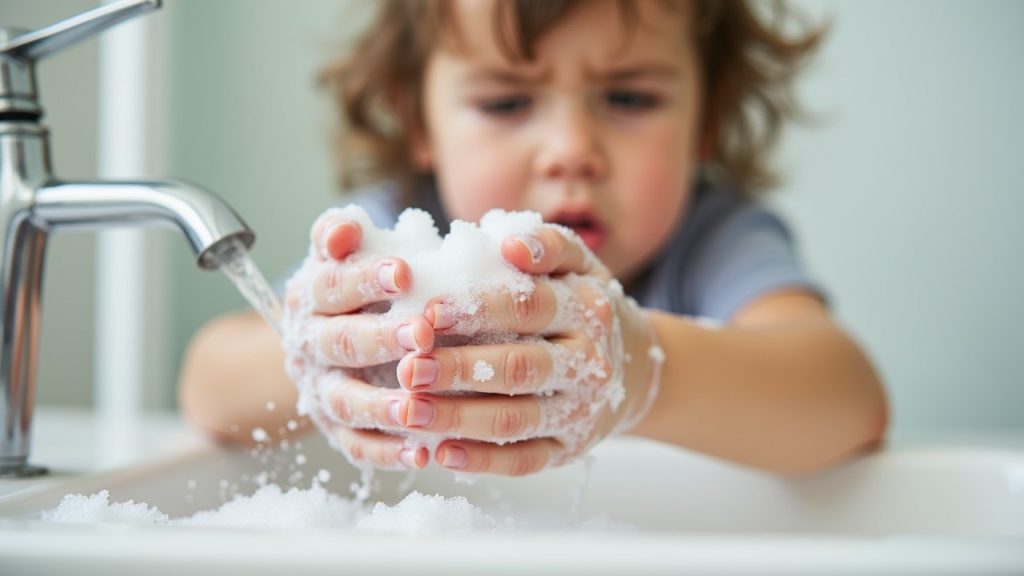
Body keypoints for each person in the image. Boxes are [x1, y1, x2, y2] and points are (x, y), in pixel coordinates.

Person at [179, 0, 888, 477]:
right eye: (507, 102)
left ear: (708, 119)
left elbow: (849, 402)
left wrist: (640, 374)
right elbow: (208, 385)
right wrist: (321, 352)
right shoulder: (394, 242)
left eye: (629, 98)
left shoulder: (711, 239)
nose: (571, 149)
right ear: (419, 125)